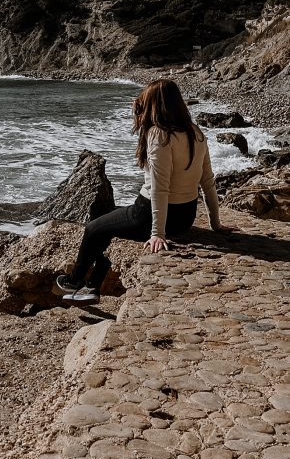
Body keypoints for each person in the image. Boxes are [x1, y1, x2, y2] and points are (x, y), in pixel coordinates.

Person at [55, 78, 225, 305]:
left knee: (93, 228)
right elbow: (207, 181)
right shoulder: (196, 132)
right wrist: (216, 224)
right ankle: (93, 284)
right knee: (104, 218)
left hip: (148, 214)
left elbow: (159, 188)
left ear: (154, 105)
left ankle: (74, 281)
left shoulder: (159, 134)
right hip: (185, 217)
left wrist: (158, 233)